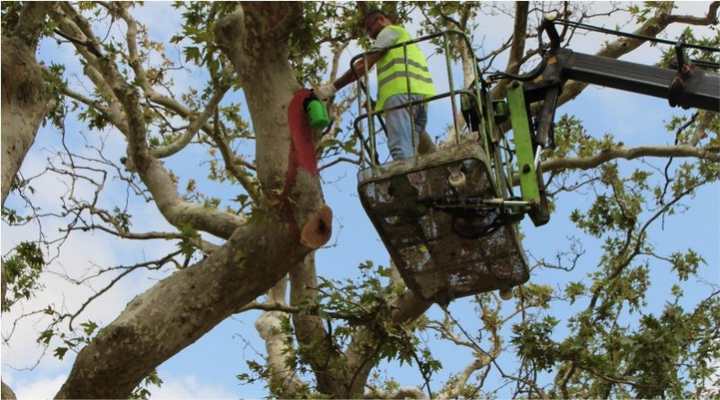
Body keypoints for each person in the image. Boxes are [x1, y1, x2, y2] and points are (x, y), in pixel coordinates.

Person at [315, 10, 436, 161]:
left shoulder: (389, 32)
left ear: (381, 20)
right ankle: (417, 182)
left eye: (369, 29)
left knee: (401, 150)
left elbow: (362, 66)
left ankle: (406, 181)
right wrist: (377, 104)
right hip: (421, 98)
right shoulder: (403, 39)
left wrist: (331, 88)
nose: (370, 35)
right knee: (411, 150)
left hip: (400, 96)